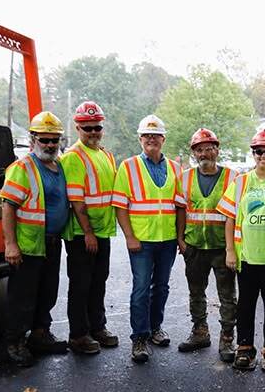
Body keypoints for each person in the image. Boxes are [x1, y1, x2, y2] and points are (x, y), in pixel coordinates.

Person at [112, 115, 186, 363]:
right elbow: (120, 206)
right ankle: (139, 338)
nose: (151, 139)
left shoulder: (176, 168)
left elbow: (179, 206)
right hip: (141, 241)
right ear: (140, 139)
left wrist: (179, 238)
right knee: (141, 289)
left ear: (163, 139)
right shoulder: (128, 166)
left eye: (155, 136)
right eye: (146, 136)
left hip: (167, 241)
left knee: (162, 287)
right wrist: (129, 236)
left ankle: (155, 328)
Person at [217, 129, 265, 372]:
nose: (263, 156)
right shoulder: (241, 182)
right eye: (259, 151)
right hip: (247, 257)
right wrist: (230, 250)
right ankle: (244, 349)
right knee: (245, 305)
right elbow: (229, 218)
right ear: (253, 154)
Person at [0, 111, 69, 366]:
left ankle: (40, 335)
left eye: (54, 140)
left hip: (51, 242)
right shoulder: (22, 167)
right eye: (45, 140)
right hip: (28, 246)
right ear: (33, 139)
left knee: (47, 293)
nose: (50, 145)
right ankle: (15, 342)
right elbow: (7, 206)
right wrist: (10, 244)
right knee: (22, 297)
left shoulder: (59, 166)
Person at [60, 101, 118, 354]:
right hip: (82, 235)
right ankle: (78, 335)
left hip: (102, 231)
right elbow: (76, 200)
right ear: (78, 128)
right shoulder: (74, 157)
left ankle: (97, 327)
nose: (93, 132)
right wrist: (88, 232)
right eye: (87, 128)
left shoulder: (104, 154)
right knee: (81, 284)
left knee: (98, 282)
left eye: (97, 127)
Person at [177, 128, 238, 362]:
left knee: (227, 295)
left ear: (217, 150)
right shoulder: (185, 178)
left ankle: (227, 339)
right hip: (194, 246)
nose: (205, 153)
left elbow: (236, 214)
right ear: (194, 153)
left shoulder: (233, 178)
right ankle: (200, 332)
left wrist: (233, 248)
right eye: (200, 149)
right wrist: (181, 239)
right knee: (196, 292)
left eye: (209, 148)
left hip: (223, 247)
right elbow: (181, 210)